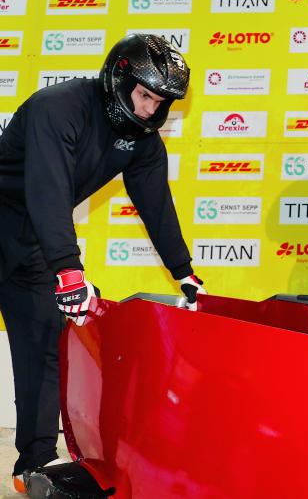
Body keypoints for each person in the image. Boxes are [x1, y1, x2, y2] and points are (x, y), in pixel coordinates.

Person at [0, 34, 207, 491]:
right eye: (146, 96)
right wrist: (68, 266)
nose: (152, 110)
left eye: (161, 101)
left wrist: (184, 271)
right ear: (119, 78)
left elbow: (156, 203)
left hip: (32, 245)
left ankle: (33, 465)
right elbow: (47, 190)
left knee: (42, 348)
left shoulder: (143, 141)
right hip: (19, 218)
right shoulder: (59, 107)